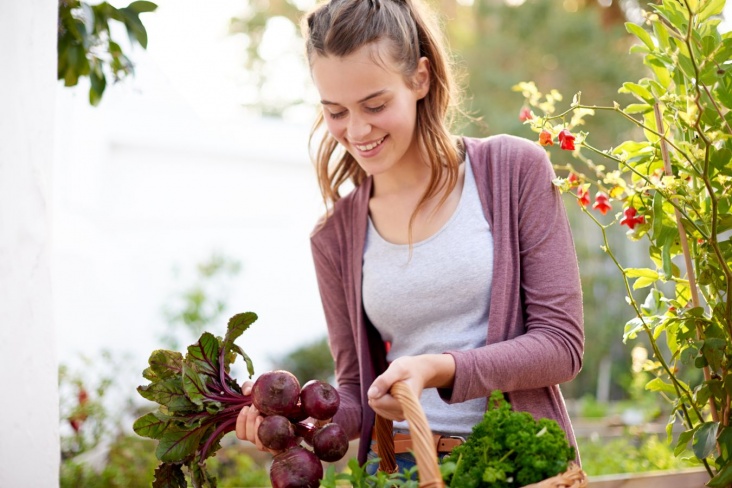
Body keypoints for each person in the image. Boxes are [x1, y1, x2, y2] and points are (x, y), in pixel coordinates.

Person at [236, 0, 585, 474]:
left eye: (375, 105)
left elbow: (561, 345)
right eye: (335, 111)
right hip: (398, 468)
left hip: (513, 465)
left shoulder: (512, 172)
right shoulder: (334, 236)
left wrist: (438, 370)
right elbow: (360, 394)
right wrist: (290, 417)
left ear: (420, 78)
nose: (357, 130)